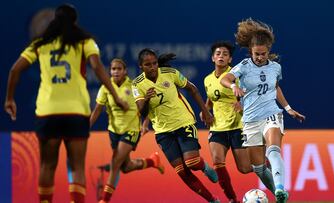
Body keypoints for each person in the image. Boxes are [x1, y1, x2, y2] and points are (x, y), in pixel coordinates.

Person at [4, 4, 128, 203]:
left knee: (47, 165)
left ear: (54, 21)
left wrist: (9, 99)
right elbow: (97, 67)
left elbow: (14, 71)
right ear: (74, 22)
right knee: (77, 166)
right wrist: (116, 96)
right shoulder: (84, 42)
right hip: (76, 112)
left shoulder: (39, 44)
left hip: (47, 112)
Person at [220, 18, 305, 203]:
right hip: (250, 120)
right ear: (251, 51)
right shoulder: (243, 66)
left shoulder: (276, 67)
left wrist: (288, 109)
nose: (259, 57)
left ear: (268, 51)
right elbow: (224, 79)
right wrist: (233, 86)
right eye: (256, 54)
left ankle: (281, 189)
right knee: (258, 168)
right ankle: (277, 194)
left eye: (263, 54)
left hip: (272, 114)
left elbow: (275, 88)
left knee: (273, 151)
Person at [131, 48, 219, 203]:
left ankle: (204, 167)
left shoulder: (169, 73)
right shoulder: (137, 84)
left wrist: (205, 111)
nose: (152, 67)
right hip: (163, 131)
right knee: (182, 172)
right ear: (141, 67)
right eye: (148, 64)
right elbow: (142, 111)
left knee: (191, 162)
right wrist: (145, 99)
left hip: (183, 122)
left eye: (154, 63)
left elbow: (192, 88)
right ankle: (212, 200)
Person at [90, 58, 164, 203]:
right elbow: (97, 110)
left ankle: (104, 200)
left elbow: (146, 107)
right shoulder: (106, 87)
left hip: (131, 129)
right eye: (113, 69)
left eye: (119, 69)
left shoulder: (133, 86)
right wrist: (85, 128)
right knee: (125, 166)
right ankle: (152, 161)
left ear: (125, 71)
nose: (115, 72)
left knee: (115, 162)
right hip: (114, 132)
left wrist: (145, 124)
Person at [202, 41, 253, 203]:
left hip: (237, 126)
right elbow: (211, 97)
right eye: (218, 54)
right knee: (217, 163)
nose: (221, 56)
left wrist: (242, 103)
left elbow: (252, 96)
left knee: (244, 169)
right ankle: (232, 199)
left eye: (225, 54)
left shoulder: (236, 76)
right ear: (212, 58)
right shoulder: (208, 79)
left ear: (230, 59)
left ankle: (264, 162)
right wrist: (205, 110)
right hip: (217, 127)